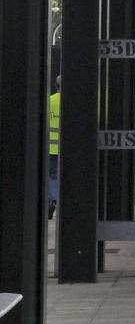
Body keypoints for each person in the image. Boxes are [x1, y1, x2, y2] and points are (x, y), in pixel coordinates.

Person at [46, 76, 60, 220]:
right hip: (68, 148)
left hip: (51, 147)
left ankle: (52, 200)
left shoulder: (50, 100)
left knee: (52, 176)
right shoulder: (71, 102)